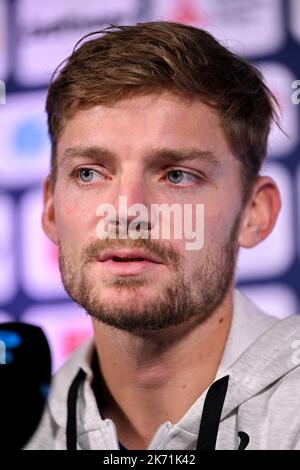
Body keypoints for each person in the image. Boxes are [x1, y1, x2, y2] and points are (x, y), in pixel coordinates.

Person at [26, 21, 300, 450]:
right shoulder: (22, 428)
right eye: (90, 173)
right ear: (51, 209)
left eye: (177, 175)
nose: (126, 211)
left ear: (254, 213)